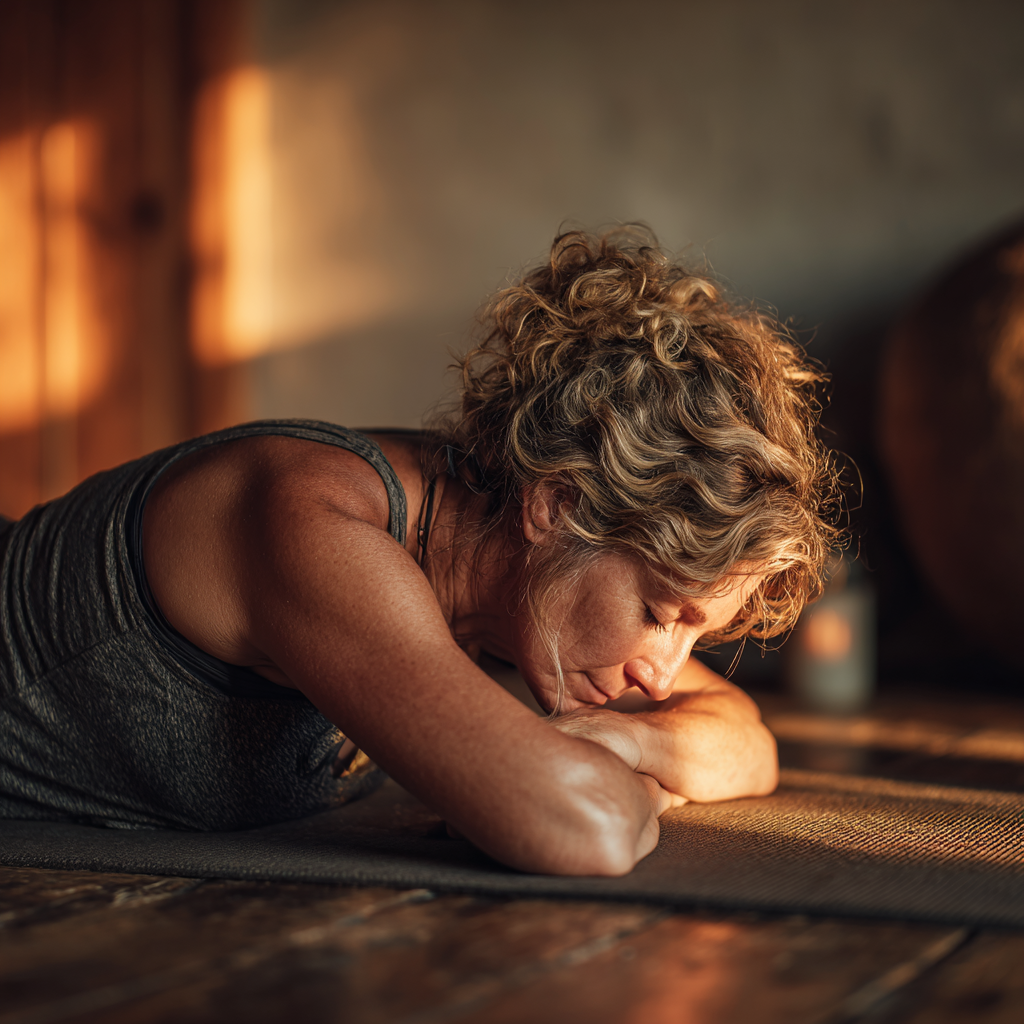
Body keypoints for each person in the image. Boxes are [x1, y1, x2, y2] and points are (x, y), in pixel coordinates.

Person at [0, 229, 839, 876]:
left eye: (694, 633)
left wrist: (622, 748)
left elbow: (747, 743)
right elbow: (586, 827)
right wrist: (618, 782)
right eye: (657, 614)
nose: (661, 678)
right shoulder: (319, 523)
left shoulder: (510, 573)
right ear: (556, 505)